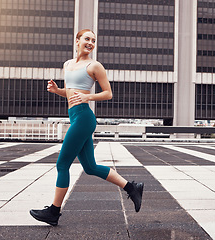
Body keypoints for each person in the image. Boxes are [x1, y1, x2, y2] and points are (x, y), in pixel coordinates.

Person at [30, 29, 144, 226]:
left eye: (93, 40)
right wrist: (58, 91)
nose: (90, 43)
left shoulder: (95, 65)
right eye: (86, 39)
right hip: (75, 116)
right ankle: (132, 187)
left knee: (62, 164)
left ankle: (54, 212)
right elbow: (71, 92)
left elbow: (108, 93)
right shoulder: (67, 64)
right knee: (90, 167)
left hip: (84, 117)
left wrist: (88, 96)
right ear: (77, 41)